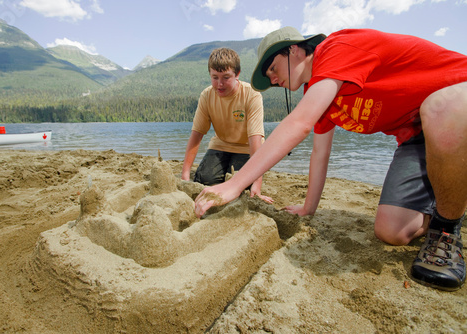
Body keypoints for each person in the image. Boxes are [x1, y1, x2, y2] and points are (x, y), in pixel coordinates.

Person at [194, 27, 467, 291]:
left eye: (274, 69)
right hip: (418, 137)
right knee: (392, 231)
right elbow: (319, 152)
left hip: (456, 104)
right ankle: (452, 197)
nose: (275, 80)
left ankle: (446, 228)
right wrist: (308, 208)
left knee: (439, 107)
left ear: (295, 50)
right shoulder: (321, 90)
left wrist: (233, 185)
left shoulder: (336, 49)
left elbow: (299, 123)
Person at [182, 47, 272, 203]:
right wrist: (185, 175)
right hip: (220, 145)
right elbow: (196, 135)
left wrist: (256, 186)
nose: (220, 84)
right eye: (215, 77)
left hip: (246, 148)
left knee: (241, 184)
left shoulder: (252, 94)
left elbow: (255, 140)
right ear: (210, 74)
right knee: (204, 179)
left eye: (226, 77)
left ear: (237, 74)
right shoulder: (206, 95)